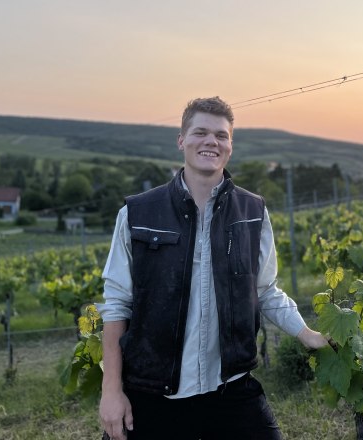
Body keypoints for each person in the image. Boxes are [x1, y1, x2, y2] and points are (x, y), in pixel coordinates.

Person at [97, 96, 328, 440]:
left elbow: (265, 290)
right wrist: (111, 392)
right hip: (153, 392)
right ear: (181, 140)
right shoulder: (137, 214)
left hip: (230, 389)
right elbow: (117, 306)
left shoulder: (252, 211)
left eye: (221, 135)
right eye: (200, 132)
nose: (211, 142)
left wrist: (308, 334)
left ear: (230, 145)